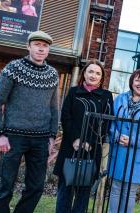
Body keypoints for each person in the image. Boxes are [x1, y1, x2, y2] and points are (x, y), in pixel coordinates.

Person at [0, 31, 58, 213]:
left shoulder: (52, 74)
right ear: (28, 46)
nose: (41, 49)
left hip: (41, 140)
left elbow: (54, 109)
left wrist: (51, 137)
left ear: (48, 49)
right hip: (13, 138)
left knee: (36, 187)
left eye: (45, 46)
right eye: (37, 45)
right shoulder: (14, 68)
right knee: (6, 186)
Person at [53, 59, 113, 213]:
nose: (94, 75)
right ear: (84, 73)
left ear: (102, 77)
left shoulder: (106, 96)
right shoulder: (74, 92)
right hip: (70, 147)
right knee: (65, 190)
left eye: (98, 73)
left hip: (92, 150)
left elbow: (106, 123)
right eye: (90, 71)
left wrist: (90, 142)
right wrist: (76, 139)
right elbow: (66, 117)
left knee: (83, 193)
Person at [108, 69, 140, 213]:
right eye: (137, 80)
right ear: (131, 82)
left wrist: (133, 140)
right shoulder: (120, 99)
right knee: (115, 188)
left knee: (129, 192)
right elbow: (111, 121)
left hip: (139, 152)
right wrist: (117, 136)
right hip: (119, 149)